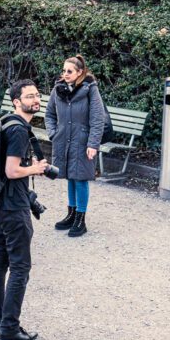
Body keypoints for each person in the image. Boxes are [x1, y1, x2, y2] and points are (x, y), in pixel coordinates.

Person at [0, 79, 49, 340]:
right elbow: (11, 171)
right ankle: (10, 327)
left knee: (0, 258)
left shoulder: (6, 122)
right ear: (16, 102)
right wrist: (34, 169)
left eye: (37, 95)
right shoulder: (17, 131)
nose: (35, 100)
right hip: (13, 206)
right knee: (20, 266)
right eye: (29, 97)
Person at [44, 54, 106, 237]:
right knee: (70, 177)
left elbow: (97, 118)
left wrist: (93, 144)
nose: (65, 74)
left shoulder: (90, 89)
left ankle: (81, 219)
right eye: (63, 70)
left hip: (83, 141)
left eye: (69, 71)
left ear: (80, 72)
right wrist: (53, 134)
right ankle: (71, 214)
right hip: (63, 140)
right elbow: (49, 115)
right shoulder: (59, 89)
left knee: (80, 178)